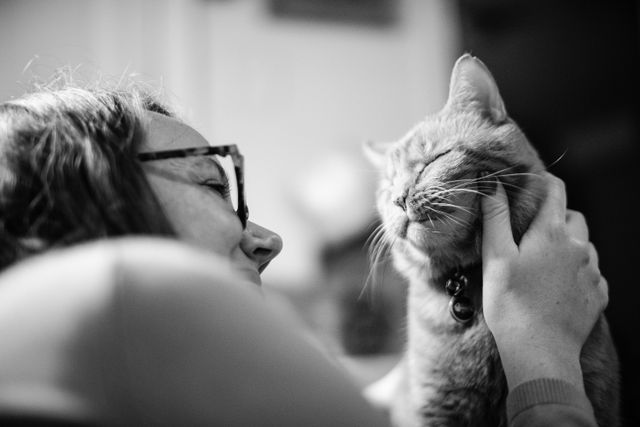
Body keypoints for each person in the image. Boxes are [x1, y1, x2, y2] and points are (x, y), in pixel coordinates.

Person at [0, 83, 606, 426]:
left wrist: (465, 331)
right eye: (214, 186)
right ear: (84, 192)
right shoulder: (125, 291)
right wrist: (542, 352)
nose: (270, 240)